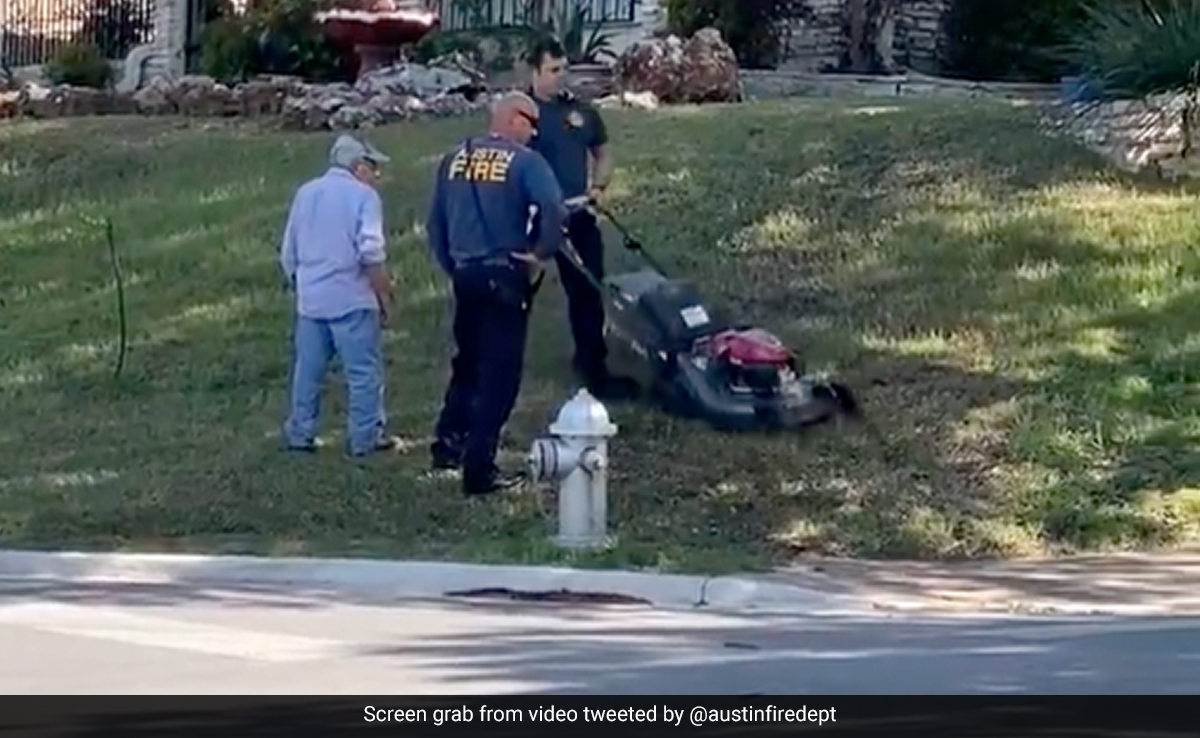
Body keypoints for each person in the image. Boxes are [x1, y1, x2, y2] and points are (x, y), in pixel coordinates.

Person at [425, 91, 568, 496]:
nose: (535, 132)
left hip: (466, 275)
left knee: (467, 364)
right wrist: (541, 252)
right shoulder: (526, 162)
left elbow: (435, 224)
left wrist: (454, 266)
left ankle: (447, 443)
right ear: (514, 119)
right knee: (500, 376)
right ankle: (479, 468)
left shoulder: (455, 158)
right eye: (532, 123)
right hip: (506, 274)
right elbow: (554, 208)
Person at [526, 37, 638, 400]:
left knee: (589, 290)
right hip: (534, 218)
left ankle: (593, 366)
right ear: (534, 72)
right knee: (517, 290)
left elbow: (602, 152)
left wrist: (599, 185)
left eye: (564, 69)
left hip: (577, 213)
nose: (561, 77)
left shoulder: (580, 112)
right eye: (553, 70)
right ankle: (496, 360)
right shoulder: (519, 114)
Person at [279, 134, 400, 458]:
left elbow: (288, 252)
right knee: (363, 372)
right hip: (351, 298)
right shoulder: (364, 197)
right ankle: (365, 438)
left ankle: (300, 433)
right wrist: (384, 295)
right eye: (373, 168)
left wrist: (301, 284)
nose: (377, 176)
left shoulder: (305, 193)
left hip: (311, 300)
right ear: (358, 166)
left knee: (308, 371)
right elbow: (371, 252)